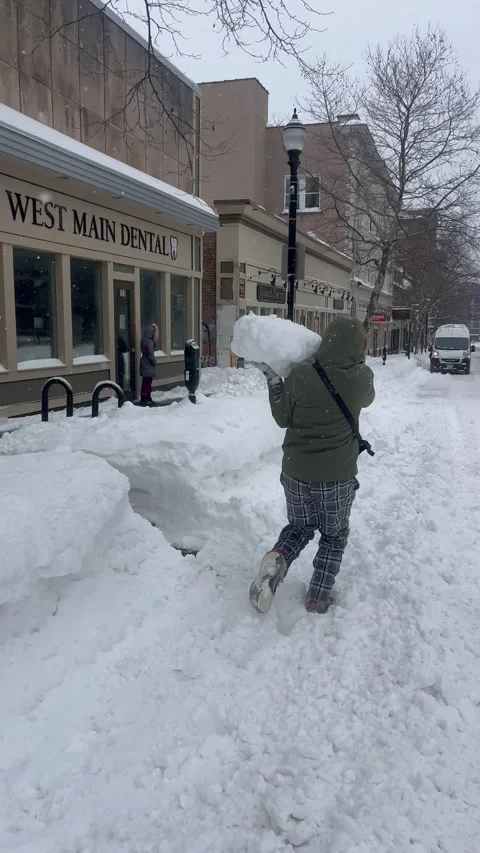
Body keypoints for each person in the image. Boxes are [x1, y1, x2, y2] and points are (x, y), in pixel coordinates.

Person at [250, 317, 375, 615]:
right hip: (336, 477)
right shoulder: (362, 377)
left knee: (299, 527)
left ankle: (278, 558)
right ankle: (317, 598)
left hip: (296, 472)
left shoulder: (301, 374)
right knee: (333, 536)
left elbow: (282, 418)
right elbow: (367, 399)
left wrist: (273, 379)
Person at [139, 324, 159, 405]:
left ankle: (145, 396)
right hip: (148, 363)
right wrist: (154, 362)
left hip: (144, 362)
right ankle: (146, 396)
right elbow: (151, 354)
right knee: (148, 381)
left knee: (145, 381)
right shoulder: (150, 342)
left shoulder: (143, 340)